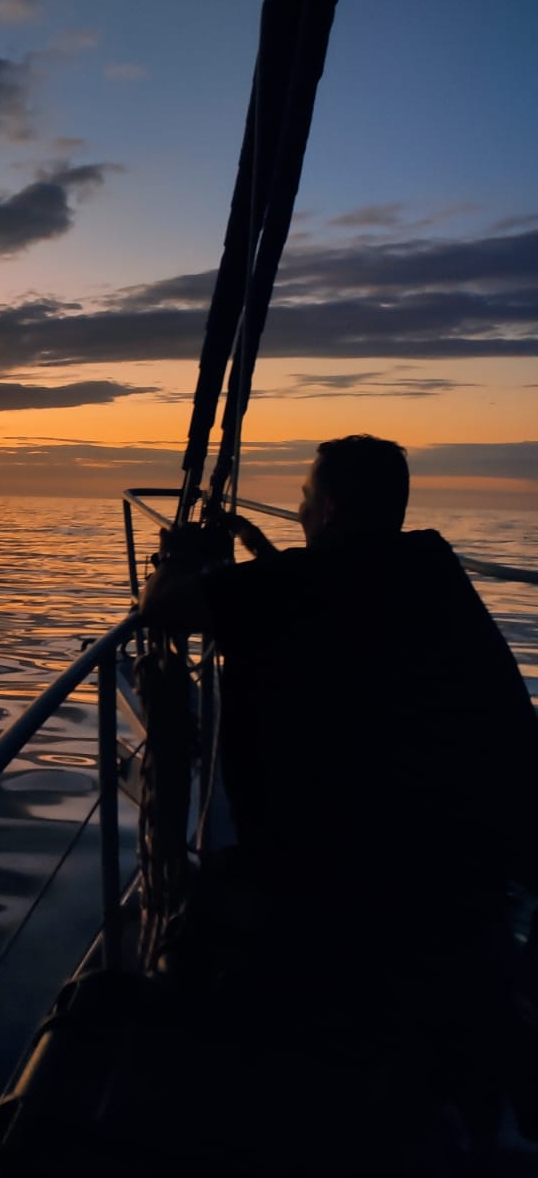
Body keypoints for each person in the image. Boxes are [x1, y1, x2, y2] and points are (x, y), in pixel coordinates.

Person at [141, 434, 538, 1165]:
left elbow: (164, 611)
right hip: (450, 888)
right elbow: (330, 596)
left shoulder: (295, 587)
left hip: (326, 891)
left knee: (200, 946)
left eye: (301, 499)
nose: (297, 510)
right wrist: (262, 548)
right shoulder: (431, 575)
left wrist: (176, 559)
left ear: (324, 507)